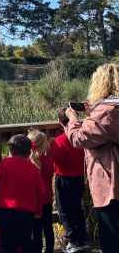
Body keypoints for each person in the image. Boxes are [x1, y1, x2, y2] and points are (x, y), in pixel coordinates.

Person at [65, 63, 119, 253]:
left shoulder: (107, 111)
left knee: (112, 236)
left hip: (112, 183)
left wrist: (73, 118)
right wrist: (92, 115)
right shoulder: (110, 110)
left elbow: (79, 138)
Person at [0, 134, 46, 253]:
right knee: (24, 242)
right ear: (29, 152)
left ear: (11, 151)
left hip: (6, 212)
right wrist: (38, 210)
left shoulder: (5, 163)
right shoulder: (33, 168)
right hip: (25, 214)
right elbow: (41, 192)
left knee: (7, 244)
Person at [50, 107, 89, 253]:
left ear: (60, 121)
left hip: (64, 178)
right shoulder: (82, 136)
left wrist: (51, 146)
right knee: (77, 208)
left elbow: (56, 158)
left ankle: (73, 241)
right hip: (79, 177)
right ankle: (82, 239)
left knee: (65, 210)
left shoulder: (61, 140)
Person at [27, 129, 55, 253]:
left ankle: (37, 250)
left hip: (32, 201)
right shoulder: (48, 162)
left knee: (36, 229)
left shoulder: (27, 162)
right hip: (46, 199)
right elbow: (51, 171)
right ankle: (49, 249)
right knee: (48, 227)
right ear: (43, 145)